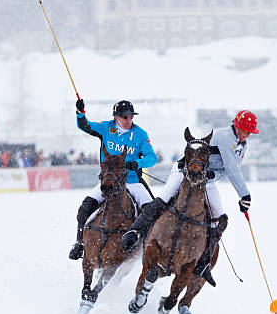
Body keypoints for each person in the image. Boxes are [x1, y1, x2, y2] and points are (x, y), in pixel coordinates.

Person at [121, 110, 260, 287]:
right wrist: (244, 195)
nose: (246, 135)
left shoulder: (242, 144)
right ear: (236, 126)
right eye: (244, 131)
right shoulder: (226, 137)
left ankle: (203, 262)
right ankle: (135, 232)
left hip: (206, 182)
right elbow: (233, 169)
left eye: (249, 133)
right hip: (183, 173)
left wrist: (213, 174)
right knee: (162, 200)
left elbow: (228, 168)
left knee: (220, 220)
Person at [68, 99, 158, 260]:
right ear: (116, 117)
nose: (128, 120)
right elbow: (85, 125)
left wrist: (137, 163)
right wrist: (80, 112)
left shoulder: (140, 134)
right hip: (108, 182)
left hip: (132, 182)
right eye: (125, 117)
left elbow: (152, 158)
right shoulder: (105, 128)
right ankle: (79, 244)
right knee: (84, 208)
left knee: (151, 212)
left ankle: (147, 251)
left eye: (131, 117)